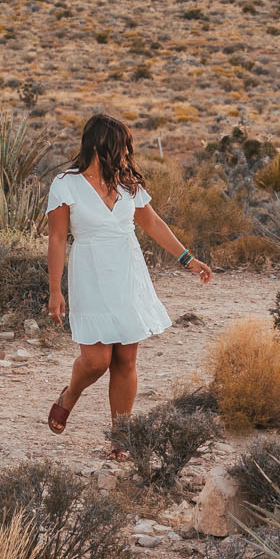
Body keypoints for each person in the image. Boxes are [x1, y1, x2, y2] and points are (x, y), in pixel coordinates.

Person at [46, 112, 212, 441]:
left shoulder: (127, 184)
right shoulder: (66, 185)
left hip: (127, 273)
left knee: (125, 359)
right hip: (90, 274)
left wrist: (187, 259)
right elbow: (56, 239)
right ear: (98, 145)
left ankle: (121, 436)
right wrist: (54, 289)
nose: (126, 153)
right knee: (96, 361)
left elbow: (153, 224)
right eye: (120, 146)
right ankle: (70, 395)